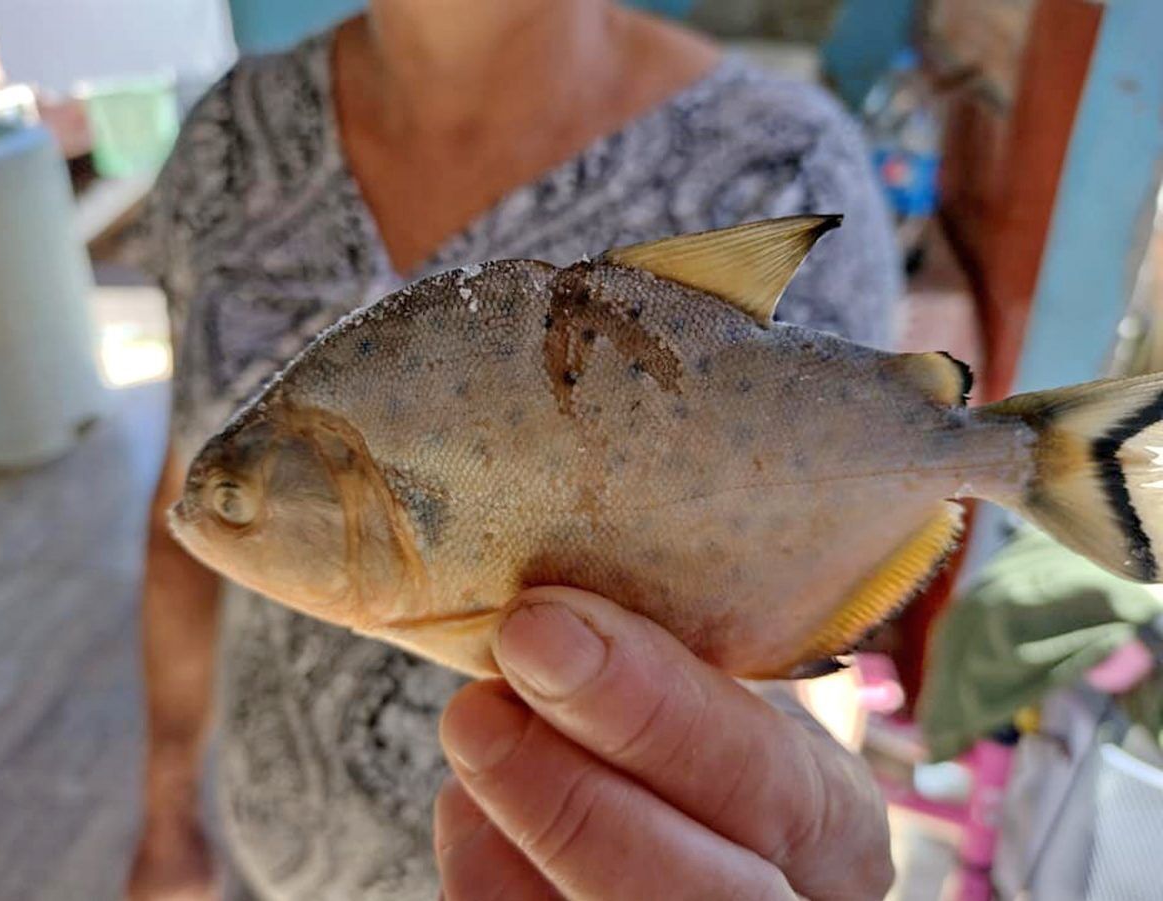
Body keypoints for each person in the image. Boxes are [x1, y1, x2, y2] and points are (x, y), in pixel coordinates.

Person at [127, 1, 901, 898]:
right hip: (277, 859)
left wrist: (789, 807)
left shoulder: (783, 165)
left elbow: (816, 566)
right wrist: (167, 805)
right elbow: (178, 520)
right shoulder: (227, 142)